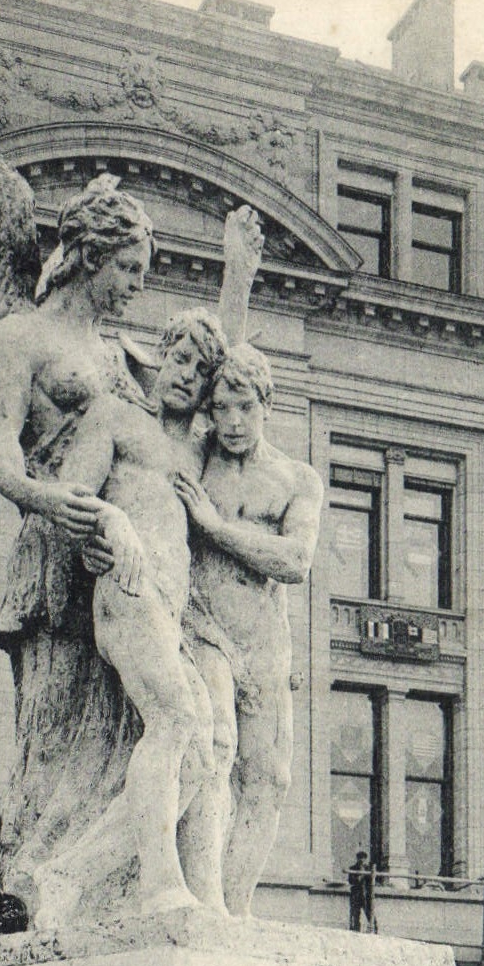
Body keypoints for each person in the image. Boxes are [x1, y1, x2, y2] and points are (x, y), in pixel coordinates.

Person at [0, 190, 262, 898]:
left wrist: (237, 280)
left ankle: (91, 888)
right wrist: (78, 512)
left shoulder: (113, 355)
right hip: (59, 549)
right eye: (131, 267)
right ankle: (43, 886)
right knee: (56, 748)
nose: (140, 284)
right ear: (91, 256)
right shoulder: (21, 336)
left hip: (122, 564)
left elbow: (199, 379)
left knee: (118, 740)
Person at [29, 311, 235, 925]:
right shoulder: (115, 418)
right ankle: (158, 883)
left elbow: (241, 375)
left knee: (203, 755)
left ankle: (69, 874)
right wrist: (104, 528)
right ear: (159, 356)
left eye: (201, 374)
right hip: (125, 586)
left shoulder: (199, 449)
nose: (188, 378)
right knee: (174, 719)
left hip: (172, 609)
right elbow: (70, 495)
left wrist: (239, 273)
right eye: (180, 361)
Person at [173, 345, 323, 917]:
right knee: (214, 750)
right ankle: (205, 902)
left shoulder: (295, 478)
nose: (232, 423)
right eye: (221, 409)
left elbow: (296, 561)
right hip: (202, 627)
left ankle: (235, 909)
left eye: (244, 409)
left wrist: (214, 526)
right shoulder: (193, 458)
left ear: (267, 404)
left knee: (268, 779)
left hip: (264, 641)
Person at [347, 851, 377, 933]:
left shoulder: (369, 869)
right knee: (355, 913)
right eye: (360, 858)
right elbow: (350, 881)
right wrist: (358, 878)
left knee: (369, 912)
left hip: (366, 894)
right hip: (356, 894)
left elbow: (371, 882)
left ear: (365, 859)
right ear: (357, 859)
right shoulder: (352, 868)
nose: (361, 860)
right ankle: (356, 930)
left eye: (363, 858)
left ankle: (374, 929)